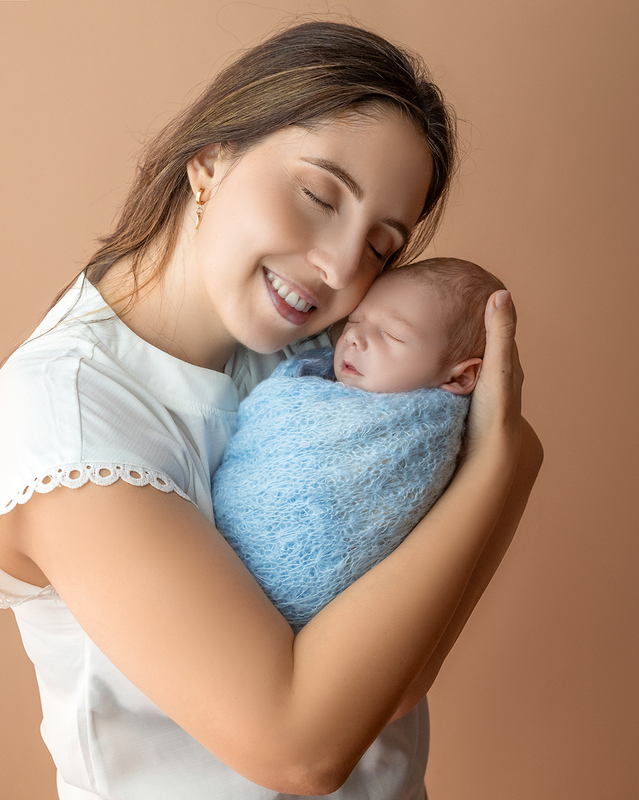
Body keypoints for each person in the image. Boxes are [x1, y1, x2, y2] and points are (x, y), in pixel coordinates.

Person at [0, 20, 542, 800]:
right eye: (318, 196)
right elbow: (302, 749)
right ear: (209, 161)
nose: (343, 267)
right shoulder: (70, 417)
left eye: (381, 245)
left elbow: (394, 683)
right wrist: (501, 470)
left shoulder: (328, 368)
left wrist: (499, 457)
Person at [212, 258, 506, 632]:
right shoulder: (311, 376)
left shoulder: (425, 436)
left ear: (461, 376)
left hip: (325, 627)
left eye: (392, 335)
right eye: (354, 320)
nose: (354, 337)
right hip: (220, 583)